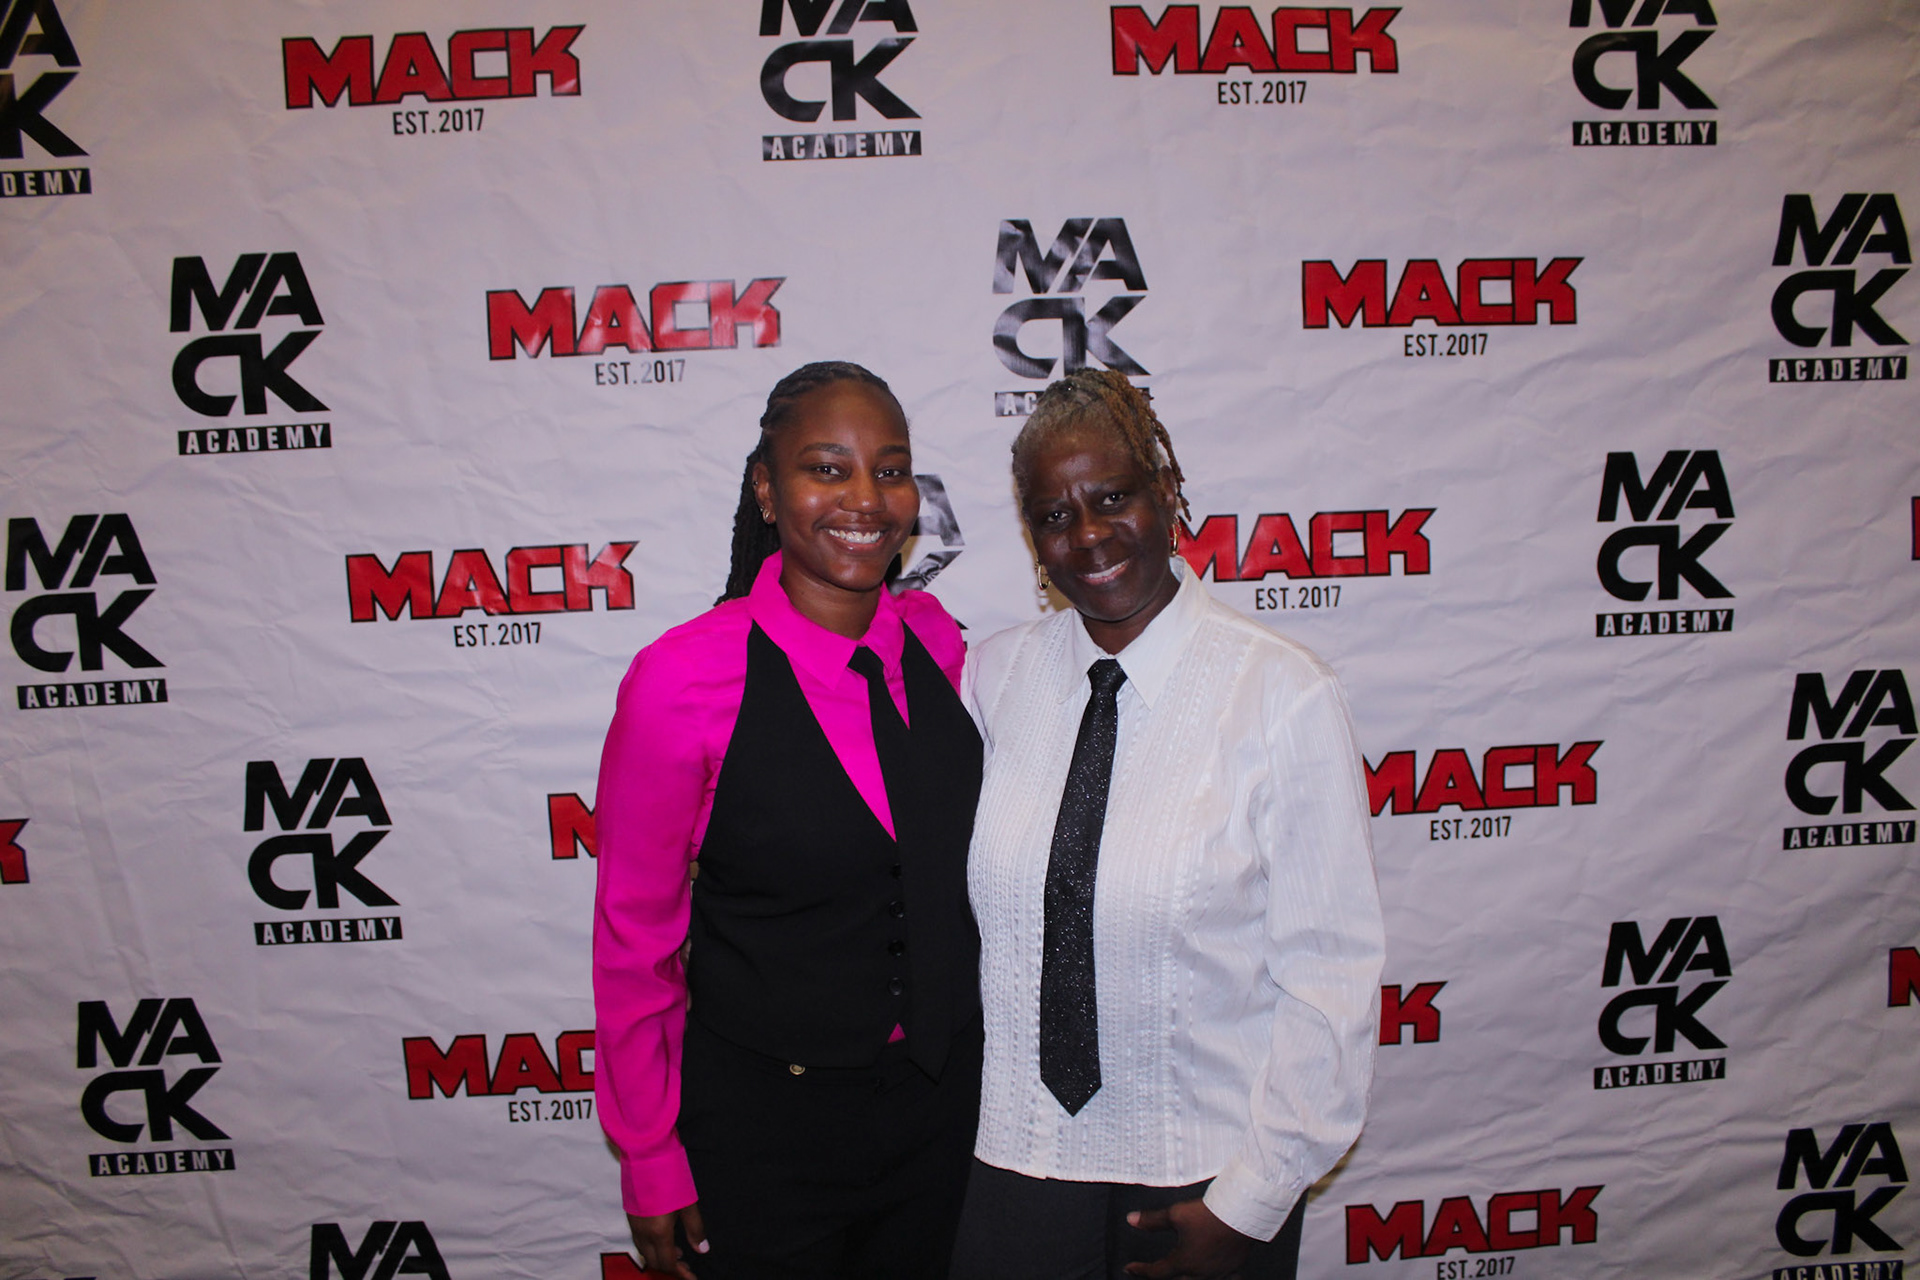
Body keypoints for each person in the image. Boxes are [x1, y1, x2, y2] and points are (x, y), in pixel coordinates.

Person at [950, 370, 1385, 1280]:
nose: (1089, 534)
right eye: (1055, 515)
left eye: (1113, 497)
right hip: (1015, 1169)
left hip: (1204, 1187)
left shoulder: (1282, 695)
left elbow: (1330, 977)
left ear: (1166, 492)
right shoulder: (993, 678)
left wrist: (1253, 1203)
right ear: (1031, 536)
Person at [592, 362, 984, 1280]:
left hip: (942, 1120)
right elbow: (635, 941)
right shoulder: (683, 681)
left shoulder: (939, 641)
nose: (867, 498)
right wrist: (649, 1155)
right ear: (766, 491)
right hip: (765, 1138)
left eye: (891, 470)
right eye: (827, 468)